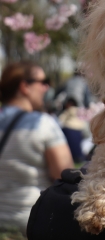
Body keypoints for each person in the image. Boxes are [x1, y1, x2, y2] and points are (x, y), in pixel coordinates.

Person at [0, 61, 74, 235]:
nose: (47, 88)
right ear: (25, 86)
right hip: (32, 225)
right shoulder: (43, 123)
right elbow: (66, 176)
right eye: (43, 82)